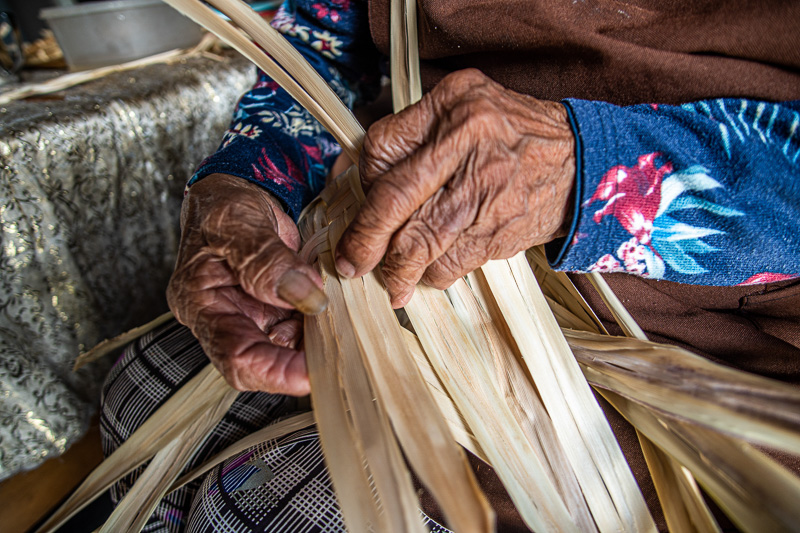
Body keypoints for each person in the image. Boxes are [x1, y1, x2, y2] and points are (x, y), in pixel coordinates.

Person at [100, 1, 800, 531]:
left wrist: (595, 168)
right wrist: (250, 176)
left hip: (695, 322)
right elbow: (325, 33)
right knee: (135, 391)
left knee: (260, 510)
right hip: (414, 263)